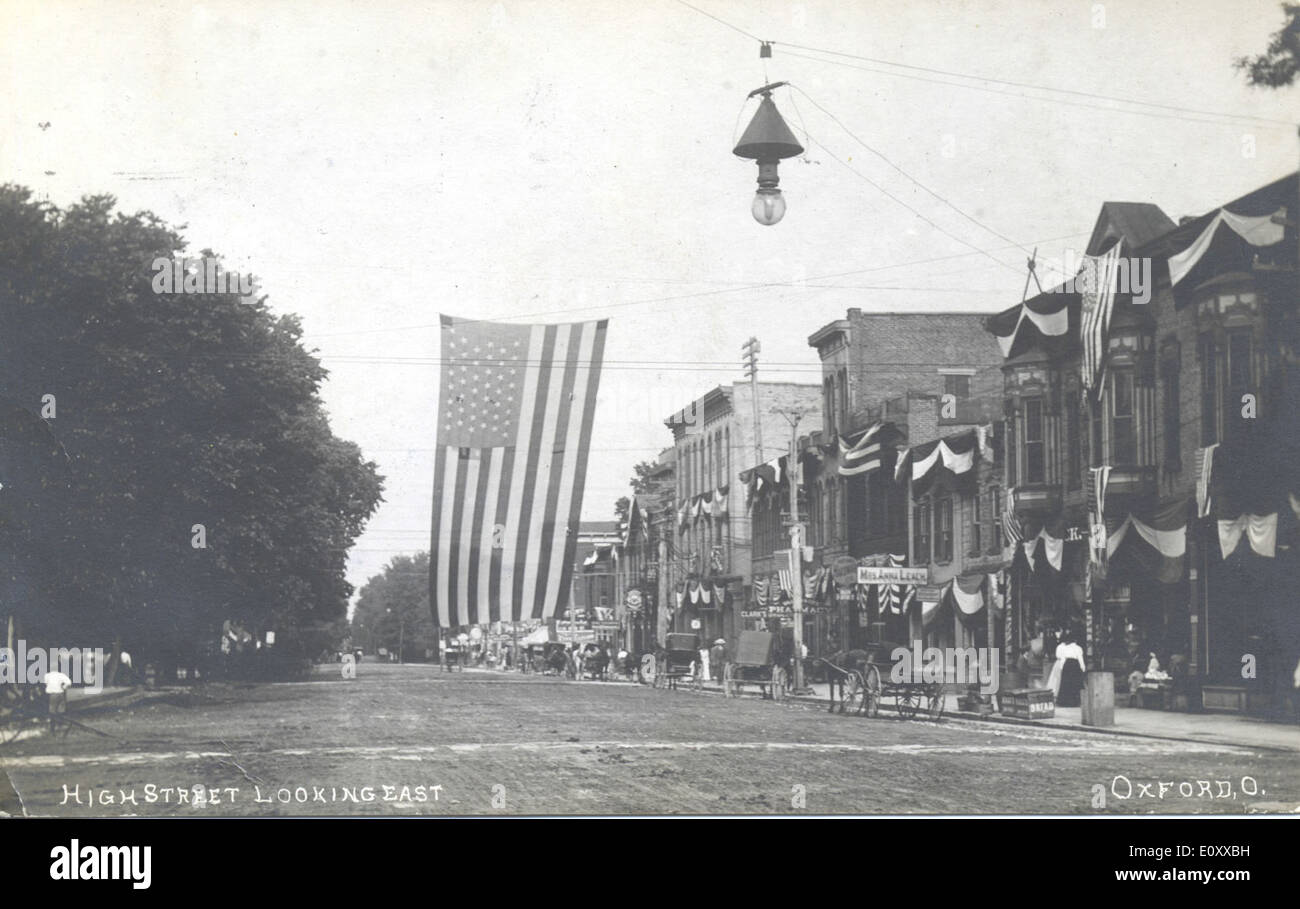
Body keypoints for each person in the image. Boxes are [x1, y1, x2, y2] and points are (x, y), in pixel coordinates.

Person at [1047, 632, 1086, 707]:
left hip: (1067, 665)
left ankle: (1064, 702)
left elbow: (1063, 659)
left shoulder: (1066, 648)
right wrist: (1083, 668)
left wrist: (1062, 668)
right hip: (1075, 665)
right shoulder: (1078, 648)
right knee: (1074, 684)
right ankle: (1075, 702)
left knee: (1065, 684)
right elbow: (1080, 659)